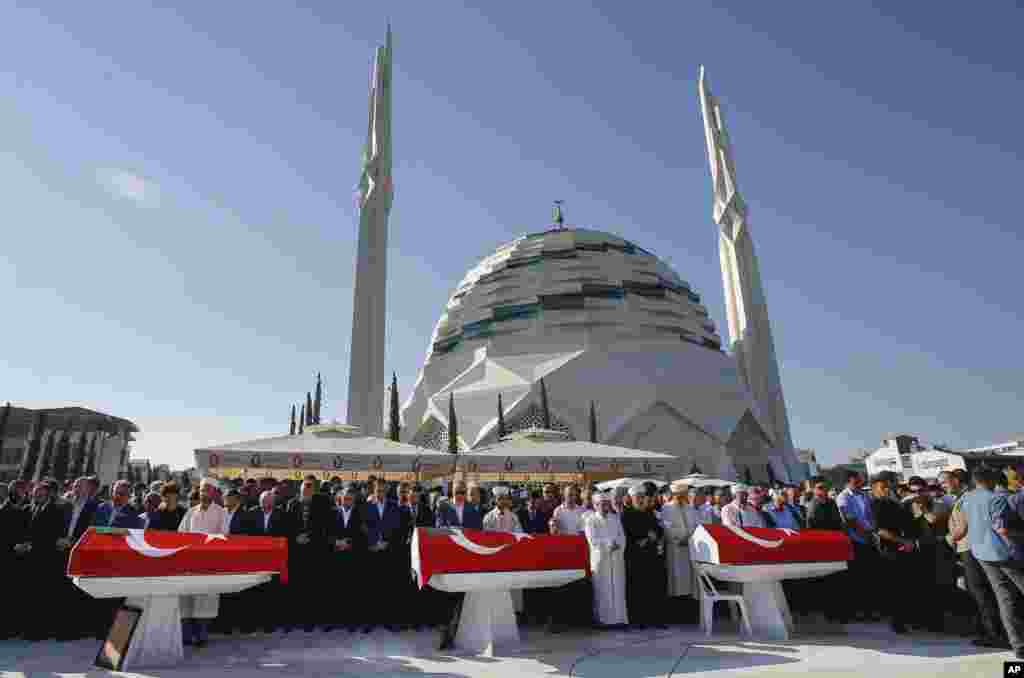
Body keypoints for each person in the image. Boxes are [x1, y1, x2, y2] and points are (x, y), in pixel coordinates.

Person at [951, 466, 1024, 658]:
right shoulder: (997, 499)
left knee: (1004, 599)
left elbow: (963, 528)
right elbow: (1002, 529)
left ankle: (1018, 646)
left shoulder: (966, 499)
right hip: (1004, 553)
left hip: (981, 553)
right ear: (991, 480)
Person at [178, 478, 227, 647]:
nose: (203, 492)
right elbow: (180, 534)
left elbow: (224, 536)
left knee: (205, 600)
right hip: (189, 563)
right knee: (187, 599)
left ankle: (202, 636)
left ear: (213, 492)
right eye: (201, 489)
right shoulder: (191, 511)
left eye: (206, 489)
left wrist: (205, 542)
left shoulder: (221, 512)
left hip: (209, 563)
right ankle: (186, 636)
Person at [868, 473, 917, 633]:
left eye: (888, 486)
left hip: (902, 547)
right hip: (887, 550)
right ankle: (898, 621)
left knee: (905, 586)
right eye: (883, 487)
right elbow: (880, 530)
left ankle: (909, 618)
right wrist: (902, 541)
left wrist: (908, 541)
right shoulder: (875, 505)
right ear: (874, 488)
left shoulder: (893, 503)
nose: (887, 490)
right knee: (894, 587)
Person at [285, 476, 333, 632]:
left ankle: (313, 620)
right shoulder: (292, 504)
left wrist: (310, 537)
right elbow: (287, 527)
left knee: (315, 587)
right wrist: (296, 537)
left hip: (315, 551)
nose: (307, 489)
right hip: (297, 552)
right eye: (305, 486)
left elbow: (325, 525)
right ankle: (297, 618)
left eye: (310, 486)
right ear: (300, 488)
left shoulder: (322, 503)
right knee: (298, 586)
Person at [621, 483, 667, 629]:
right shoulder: (626, 514)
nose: (640, 500)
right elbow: (628, 535)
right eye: (638, 498)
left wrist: (654, 536)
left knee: (653, 588)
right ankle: (638, 619)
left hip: (651, 557)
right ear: (631, 499)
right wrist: (645, 538)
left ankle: (654, 618)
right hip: (635, 558)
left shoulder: (650, 512)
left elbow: (659, 530)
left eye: (642, 497)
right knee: (637, 589)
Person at [361, 478, 403, 632]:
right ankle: (369, 621)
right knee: (371, 588)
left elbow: (397, 527)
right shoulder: (367, 505)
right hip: (371, 551)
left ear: (386, 490)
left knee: (388, 587)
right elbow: (363, 527)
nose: (380, 492)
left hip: (387, 550)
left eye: (383, 489)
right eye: (378, 489)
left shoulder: (394, 506)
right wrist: (373, 543)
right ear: (374, 489)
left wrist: (387, 542)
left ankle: (388, 620)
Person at [836, 470, 877, 621]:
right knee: (860, 577)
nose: (861, 481)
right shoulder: (843, 497)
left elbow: (870, 514)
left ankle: (873, 608)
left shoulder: (864, 494)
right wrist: (865, 534)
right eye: (857, 479)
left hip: (870, 538)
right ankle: (863, 611)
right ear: (849, 481)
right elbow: (850, 520)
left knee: (870, 576)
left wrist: (873, 530)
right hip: (856, 540)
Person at [585, 492, 628, 627]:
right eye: (601, 504)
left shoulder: (615, 519)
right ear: (595, 505)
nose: (604, 507)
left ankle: (618, 619)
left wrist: (618, 545)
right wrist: (609, 543)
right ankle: (603, 620)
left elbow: (622, 536)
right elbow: (592, 540)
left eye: (606, 504)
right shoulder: (591, 520)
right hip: (601, 561)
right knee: (602, 590)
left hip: (616, 559)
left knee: (617, 588)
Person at [328, 485, 365, 632]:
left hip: (352, 556)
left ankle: (351, 621)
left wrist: (349, 543)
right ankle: (334, 620)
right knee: (335, 589)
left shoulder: (360, 514)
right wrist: (336, 542)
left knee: (351, 590)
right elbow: (325, 532)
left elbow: (362, 534)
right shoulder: (332, 513)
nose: (347, 501)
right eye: (345, 498)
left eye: (350, 499)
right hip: (335, 556)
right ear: (340, 499)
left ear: (354, 501)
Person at [483, 486, 525, 613]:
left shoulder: (513, 517)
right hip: (494, 557)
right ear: (495, 500)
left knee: (511, 586)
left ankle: (513, 612)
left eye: (505, 499)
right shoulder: (488, 517)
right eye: (500, 499)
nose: (503, 501)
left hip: (510, 556)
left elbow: (519, 534)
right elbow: (486, 537)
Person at [660, 481, 694, 605]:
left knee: (688, 580)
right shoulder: (667, 507)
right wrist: (679, 539)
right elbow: (667, 527)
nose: (686, 497)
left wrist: (690, 538)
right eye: (683, 494)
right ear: (676, 495)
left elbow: (695, 525)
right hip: (676, 548)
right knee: (677, 579)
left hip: (690, 547)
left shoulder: (689, 508)